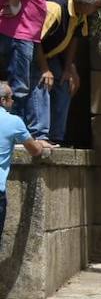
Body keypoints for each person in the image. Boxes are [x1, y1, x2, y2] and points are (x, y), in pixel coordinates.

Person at [1, 0, 56, 136]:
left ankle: (27, 133)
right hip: (19, 35)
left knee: (28, 82)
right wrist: (15, 7)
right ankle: (15, 134)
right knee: (19, 87)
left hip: (25, 35)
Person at [36, 0, 101, 144]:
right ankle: (38, 135)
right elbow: (34, 39)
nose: (97, 11)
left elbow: (74, 39)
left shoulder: (80, 12)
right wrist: (44, 69)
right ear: (85, 4)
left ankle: (55, 137)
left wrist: (69, 69)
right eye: (97, 7)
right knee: (43, 84)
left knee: (64, 83)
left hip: (52, 55)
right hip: (32, 52)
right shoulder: (55, 8)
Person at [0, 81, 54, 249]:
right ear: (3, 100)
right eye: (11, 98)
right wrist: (40, 144)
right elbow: (35, 150)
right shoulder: (13, 122)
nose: (13, 102)